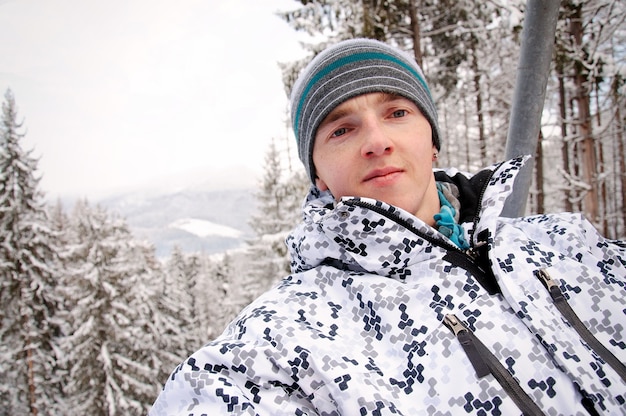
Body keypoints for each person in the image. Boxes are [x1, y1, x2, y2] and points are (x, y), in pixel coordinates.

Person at [150, 39, 626, 415]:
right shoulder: (290, 339)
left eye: (397, 113)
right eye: (341, 129)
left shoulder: (564, 242)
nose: (377, 141)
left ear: (432, 140)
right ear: (317, 173)